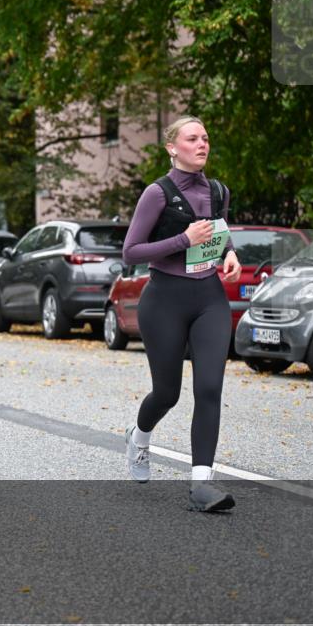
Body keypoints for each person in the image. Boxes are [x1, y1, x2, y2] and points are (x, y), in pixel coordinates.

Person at [121, 116, 241, 513]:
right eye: (192, 138)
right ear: (172, 148)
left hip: (209, 298)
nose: (202, 143)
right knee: (167, 393)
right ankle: (139, 437)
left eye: (205, 137)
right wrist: (182, 239)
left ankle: (201, 484)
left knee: (209, 388)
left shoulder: (218, 191)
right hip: (164, 300)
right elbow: (131, 251)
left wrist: (230, 254)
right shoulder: (157, 193)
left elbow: (219, 234)